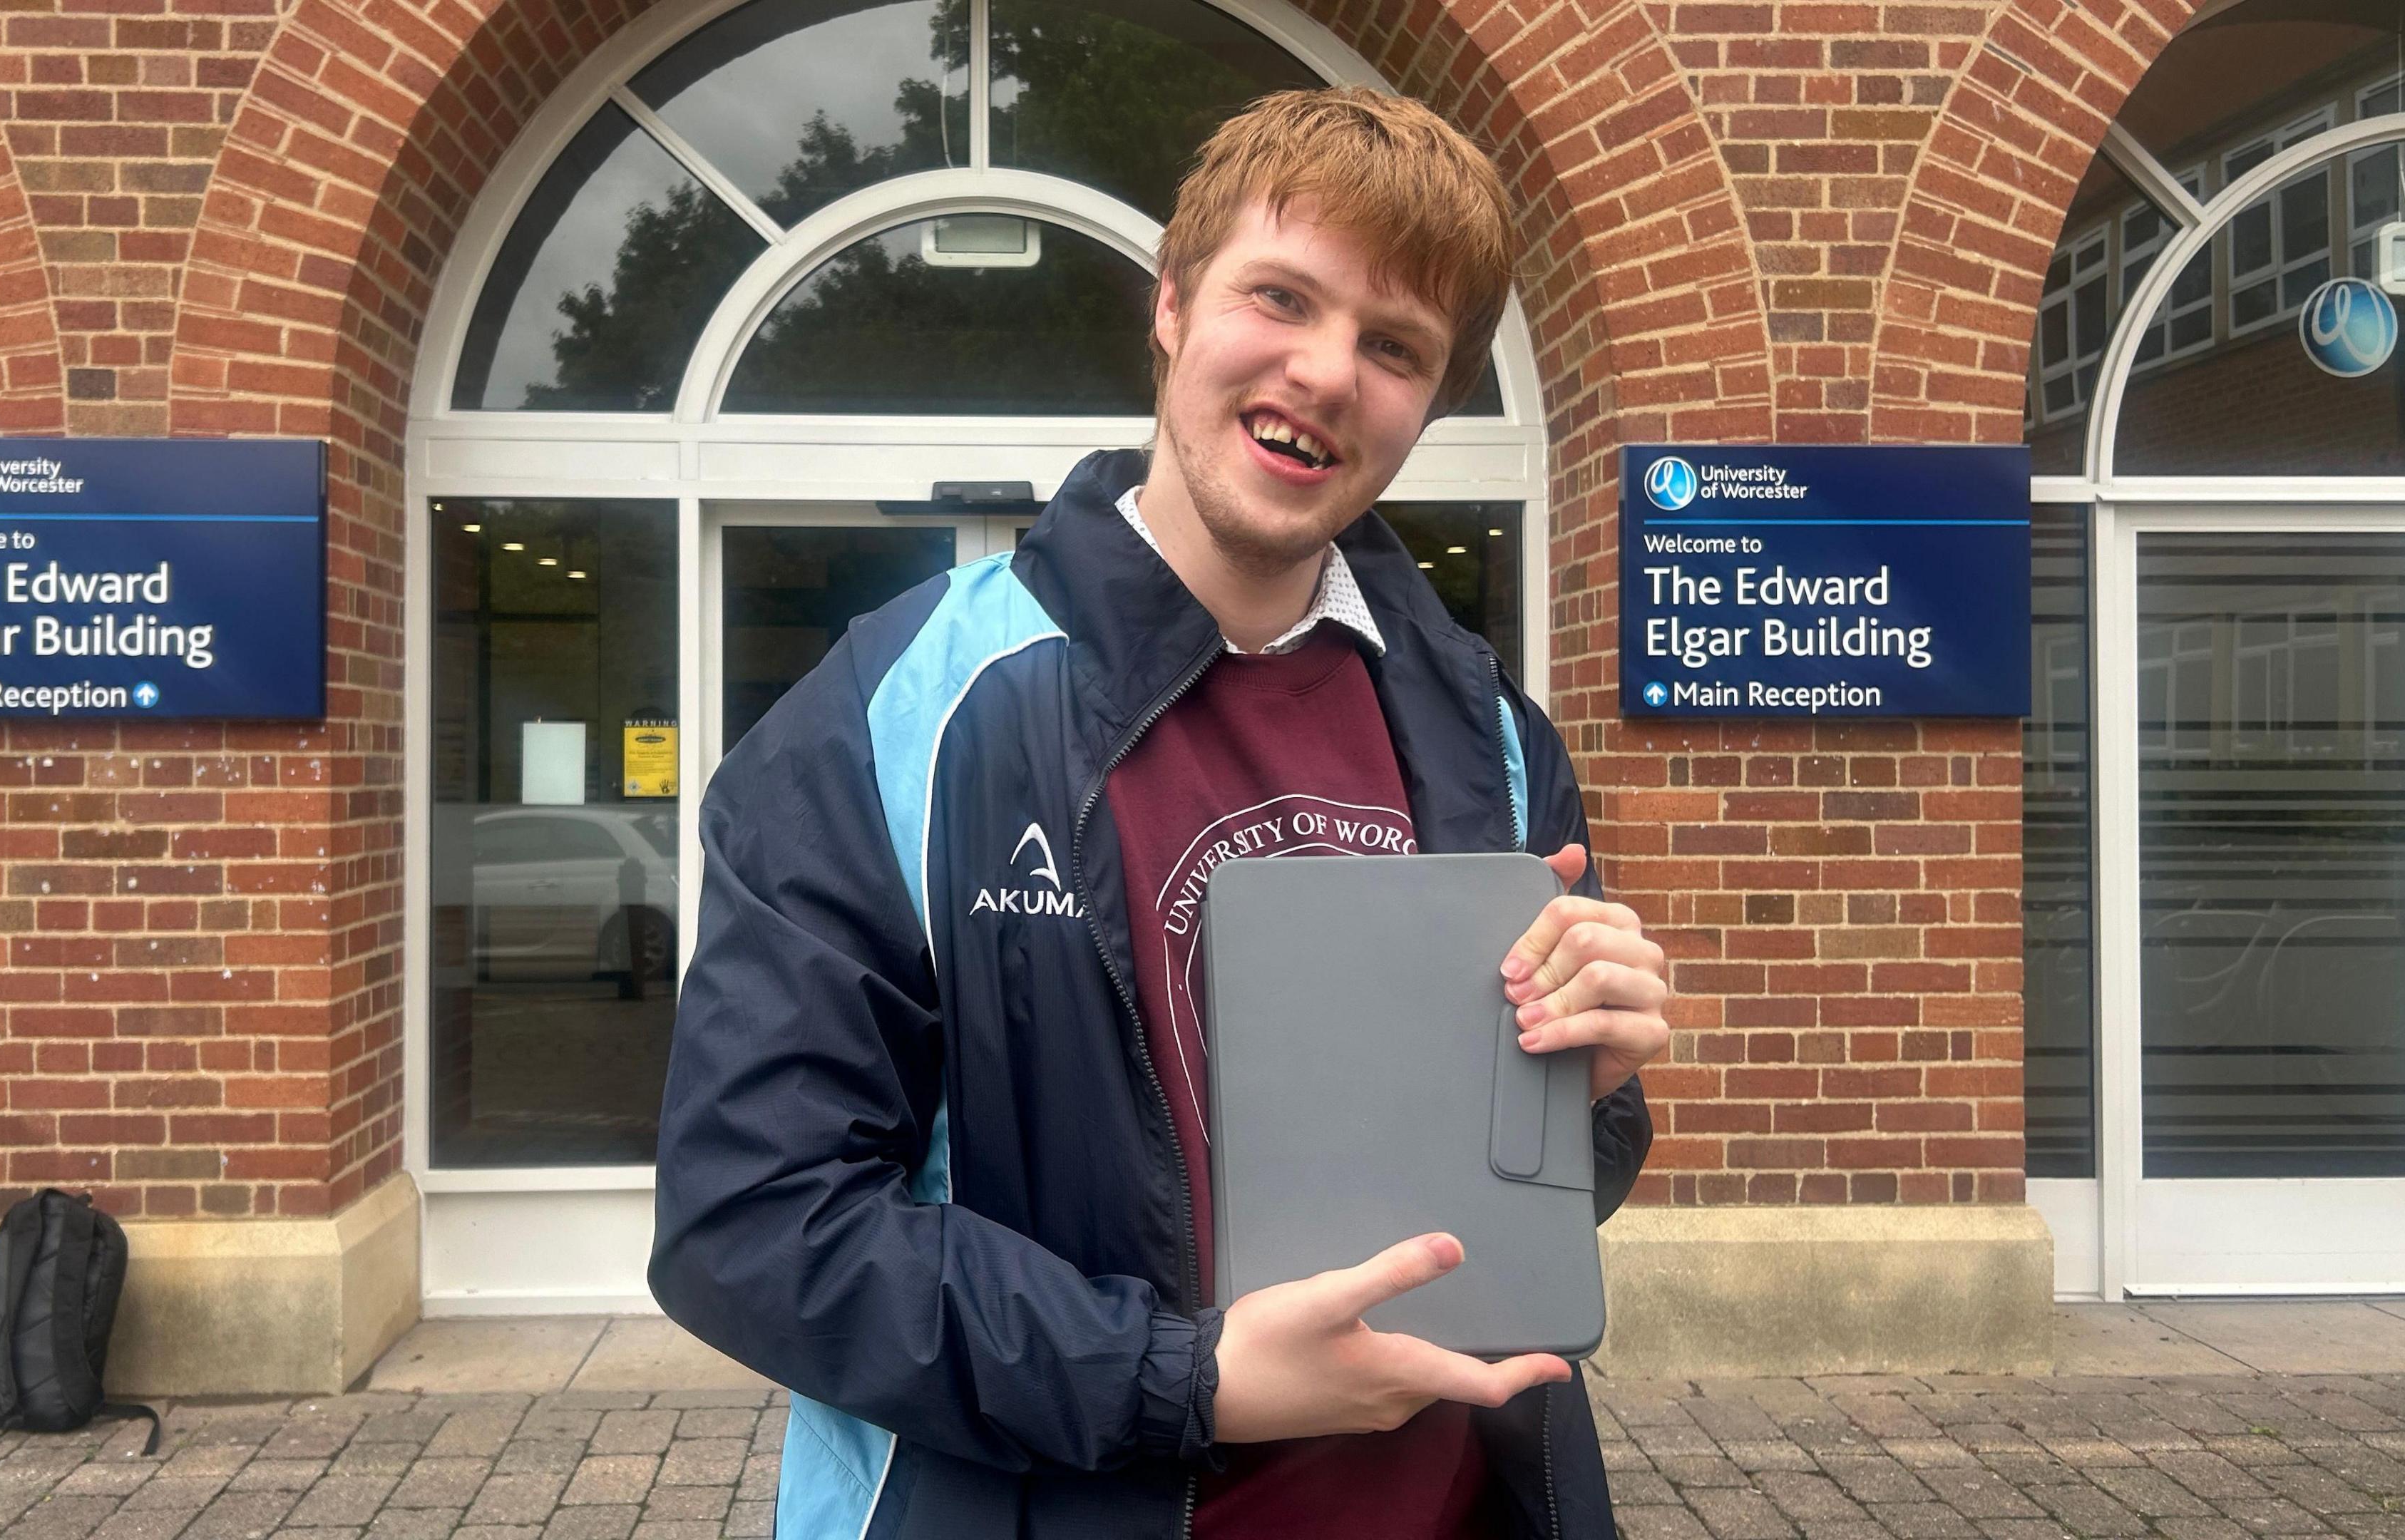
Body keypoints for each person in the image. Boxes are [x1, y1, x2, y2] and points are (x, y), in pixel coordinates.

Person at [650, 86, 1671, 1540]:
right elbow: (750, 1230)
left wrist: (1599, 1088)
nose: (1327, 372)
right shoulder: (898, 716)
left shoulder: (1491, 739)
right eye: (1283, 297)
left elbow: (1536, 1196)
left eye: (1394, 347)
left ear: (1429, 404)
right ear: (1175, 306)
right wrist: (1183, 1381)